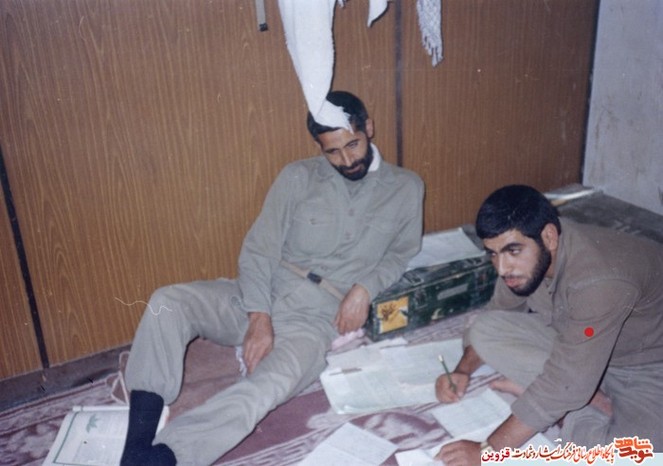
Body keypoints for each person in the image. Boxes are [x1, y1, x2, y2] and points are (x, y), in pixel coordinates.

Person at [119, 91, 424, 466]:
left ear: (369, 128)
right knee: (168, 303)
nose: (346, 160)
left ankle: (164, 457)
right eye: (332, 152)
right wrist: (258, 316)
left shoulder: (406, 187)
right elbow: (258, 249)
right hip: (259, 293)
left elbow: (401, 253)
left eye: (353, 145)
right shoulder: (298, 177)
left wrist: (364, 288)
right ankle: (136, 442)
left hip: (316, 319)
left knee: (265, 388)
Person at [435, 185, 663, 465]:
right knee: (484, 329)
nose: (502, 267)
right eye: (493, 254)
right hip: (579, 340)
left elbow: (567, 381)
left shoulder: (598, 281)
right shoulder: (530, 255)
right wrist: (462, 371)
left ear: (550, 237)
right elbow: (499, 312)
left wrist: (488, 451)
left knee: (625, 457)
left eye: (512, 251)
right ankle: (579, 397)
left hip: (645, 365)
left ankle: (575, 403)